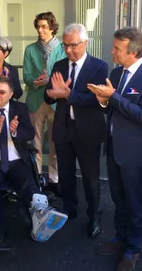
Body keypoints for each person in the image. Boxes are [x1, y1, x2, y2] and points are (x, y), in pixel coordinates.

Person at [89, 27, 142, 271]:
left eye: (117, 49)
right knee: (119, 199)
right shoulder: (116, 72)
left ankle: (133, 249)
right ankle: (120, 239)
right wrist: (103, 102)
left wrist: (113, 97)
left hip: (136, 153)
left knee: (136, 203)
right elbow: (111, 109)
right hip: (114, 149)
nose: (112, 52)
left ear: (133, 52)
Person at [0, 77, 68, 251]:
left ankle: (40, 211)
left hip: (15, 160)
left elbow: (30, 133)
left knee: (27, 182)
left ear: (11, 94)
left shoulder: (19, 108)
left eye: (1, 92)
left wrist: (15, 132)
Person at [44, 23, 108, 238]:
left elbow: (97, 100)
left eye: (73, 45)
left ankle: (93, 216)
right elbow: (48, 94)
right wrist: (52, 95)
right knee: (65, 175)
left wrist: (68, 94)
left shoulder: (99, 67)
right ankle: (70, 210)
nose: (69, 50)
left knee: (90, 178)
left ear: (85, 43)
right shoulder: (59, 65)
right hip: (63, 128)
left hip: (88, 131)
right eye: (65, 45)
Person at [23, 12, 66, 197]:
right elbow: (26, 76)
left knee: (55, 144)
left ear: (52, 27)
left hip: (57, 102)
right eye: (38, 26)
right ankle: (38, 178)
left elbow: (67, 74)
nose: (40, 30)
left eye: (44, 26)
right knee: (36, 143)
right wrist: (36, 81)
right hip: (36, 100)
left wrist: (49, 80)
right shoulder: (30, 49)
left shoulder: (63, 48)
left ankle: (54, 180)